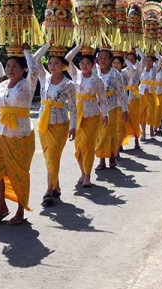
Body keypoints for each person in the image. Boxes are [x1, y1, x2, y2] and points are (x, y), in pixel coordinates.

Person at [0, 45, 39, 226]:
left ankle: (20, 211)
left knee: (19, 174)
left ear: (23, 69)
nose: (10, 69)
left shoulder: (27, 84)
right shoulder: (2, 85)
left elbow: (34, 69)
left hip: (21, 137)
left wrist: (26, 51)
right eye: (8, 66)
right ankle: (2, 207)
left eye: (14, 66)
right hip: (1, 136)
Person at [33, 44, 77, 207]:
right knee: (49, 157)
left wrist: (74, 126)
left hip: (60, 125)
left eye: (56, 63)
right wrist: (48, 45)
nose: (52, 66)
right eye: (50, 63)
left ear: (64, 66)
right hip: (44, 123)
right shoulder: (44, 77)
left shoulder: (69, 84)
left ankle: (48, 191)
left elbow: (73, 107)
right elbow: (35, 59)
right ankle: (56, 185)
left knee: (53, 156)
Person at [67, 45, 109, 187]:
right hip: (77, 114)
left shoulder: (97, 80)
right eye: (82, 63)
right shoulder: (75, 74)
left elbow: (102, 99)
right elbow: (67, 59)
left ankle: (88, 175)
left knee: (89, 145)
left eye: (88, 63)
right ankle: (82, 172)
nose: (84, 66)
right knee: (78, 146)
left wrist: (106, 115)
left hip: (92, 115)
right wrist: (79, 46)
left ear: (93, 65)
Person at [95, 48, 128, 169]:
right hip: (97, 108)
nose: (102, 60)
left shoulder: (115, 74)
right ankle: (101, 160)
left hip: (113, 108)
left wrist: (125, 109)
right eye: (100, 57)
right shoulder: (94, 72)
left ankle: (112, 155)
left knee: (110, 134)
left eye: (105, 57)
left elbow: (121, 93)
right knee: (100, 134)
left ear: (110, 60)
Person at [123, 50, 143, 149]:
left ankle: (136, 139)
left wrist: (137, 49)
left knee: (135, 120)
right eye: (128, 59)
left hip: (134, 97)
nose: (130, 61)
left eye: (132, 59)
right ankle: (121, 141)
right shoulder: (123, 71)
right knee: (124, 120)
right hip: (125, 97)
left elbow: (142, 57)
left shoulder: (137, 69)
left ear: (136, 60)